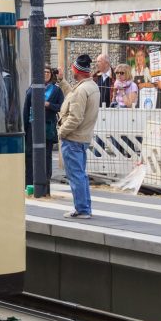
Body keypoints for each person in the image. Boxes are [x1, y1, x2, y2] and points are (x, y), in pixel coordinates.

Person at [58, 54, 100, 219]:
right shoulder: (91, 87)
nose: (72, 70)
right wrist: (62, 81)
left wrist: (61, 132)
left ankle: (82, 209)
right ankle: (85, 207)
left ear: (77, 70)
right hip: (83, 137)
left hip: (73, 138)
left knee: (75, 175)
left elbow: (75, 117)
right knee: (80, 174)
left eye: (73, 68)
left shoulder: (81, 90)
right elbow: (72, 96)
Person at [24, 66, 64, 185]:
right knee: (30, 154)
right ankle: (29, 182)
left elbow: (61, 106)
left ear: (51, 74)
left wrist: (49, 105)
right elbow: (26, 108)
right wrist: (25, 126)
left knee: (46, 155)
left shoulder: (56, 90)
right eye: (43, 72)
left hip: (48, 126)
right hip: (32, 125)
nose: (45, 74)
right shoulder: (32, 88)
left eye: (47, 72)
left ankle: (45, 182)